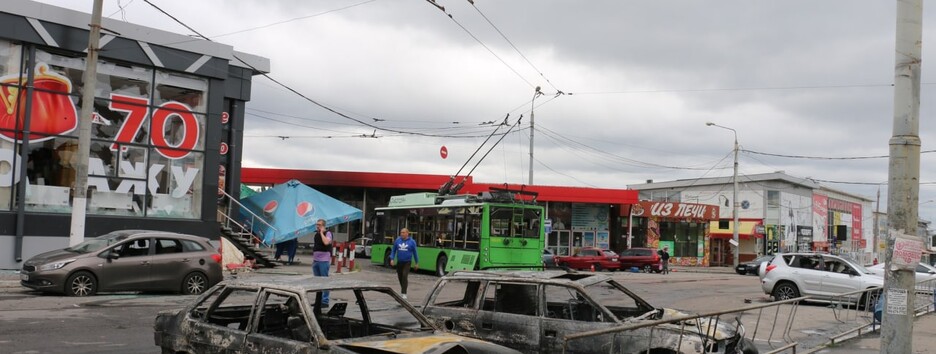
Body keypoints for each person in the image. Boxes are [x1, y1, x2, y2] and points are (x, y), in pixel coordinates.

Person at [390, 228, 419, 299]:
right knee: (400, 277)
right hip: (400, 262)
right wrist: (392, 259)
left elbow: (415, 253)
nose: (401, 234)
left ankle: (404, 293)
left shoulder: (412, 242)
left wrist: (416, 263)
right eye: (401, 232)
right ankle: (403, 289)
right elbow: (393, 250)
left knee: (404, 275)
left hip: (407, 262)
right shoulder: (397, 240)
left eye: (403, 232)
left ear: (407, 233)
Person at [312, 219, 333, 307]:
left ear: (324, 226)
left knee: (324, 280)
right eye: (317, 224)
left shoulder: (328, 233)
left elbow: (326, 242)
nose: (318, 226)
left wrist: (321, 232)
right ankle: (318, 300)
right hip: (316, 260)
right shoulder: (316, 234)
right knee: (317, 281)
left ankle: (325, 301)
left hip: (324, 260)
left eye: (320, 225)